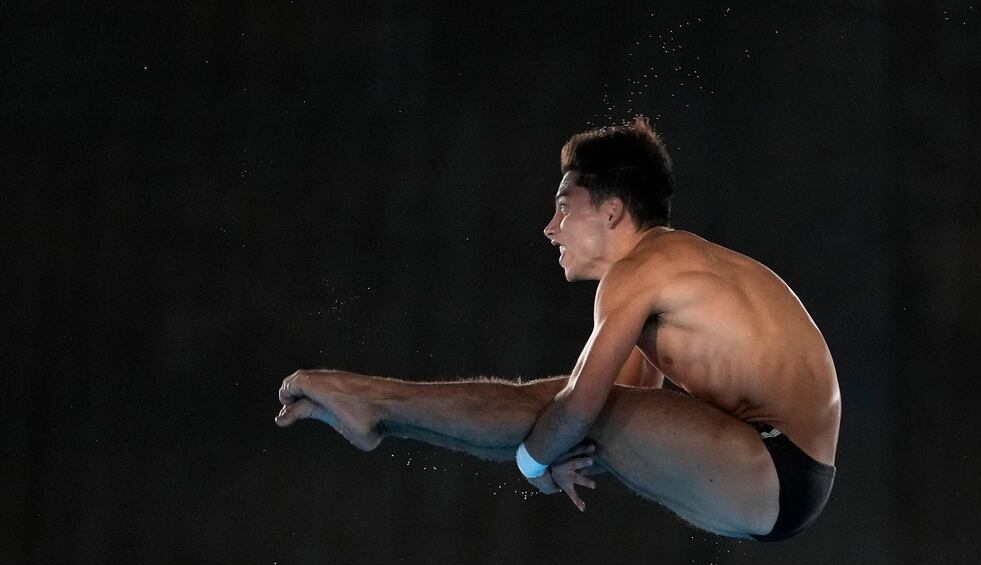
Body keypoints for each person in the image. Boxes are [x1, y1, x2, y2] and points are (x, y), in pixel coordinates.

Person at [275, 117, 840, 541]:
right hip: (781, 476)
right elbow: (630, 404)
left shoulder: (639, 271)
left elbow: (578, 406)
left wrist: (534, 465)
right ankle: (378, 416)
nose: (550, 229)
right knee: (563, 413)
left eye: (564, 207)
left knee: (559, 407)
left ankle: (372, 401)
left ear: (613, 212)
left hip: (773, 464)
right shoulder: (676, 268)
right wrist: (551, 450)